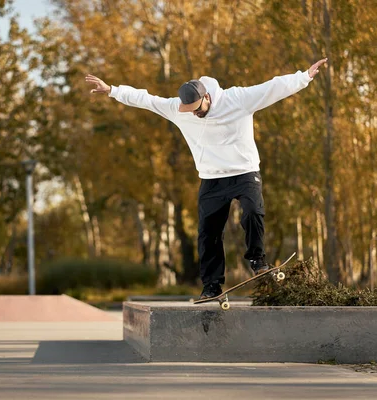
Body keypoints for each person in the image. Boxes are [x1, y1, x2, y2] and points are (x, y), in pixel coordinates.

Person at [85, 58, 327, 299]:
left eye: (198, 109)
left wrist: (303, 77)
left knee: (253, 211)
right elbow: (147, 100)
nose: (196, 115)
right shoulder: (177, 109)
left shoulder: (237, 99)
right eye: (190, 112)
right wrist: (112, 91)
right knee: (208, 232)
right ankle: (211, 286)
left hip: (244, 171)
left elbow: (272, 88)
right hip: (211, 178)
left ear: (207, 97)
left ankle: (257, 260)